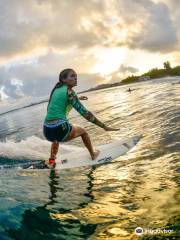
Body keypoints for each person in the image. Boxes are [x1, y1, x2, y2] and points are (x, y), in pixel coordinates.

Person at [43, 68, 119, 168]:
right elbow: (86, 114)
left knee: (55, 140)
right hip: (61, 129)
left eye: (76, 76)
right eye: (72, 76)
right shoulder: (70, 92)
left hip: (47, 130)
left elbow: (55, 105)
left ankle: (52, 161)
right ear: (63, 79)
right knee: (83, 132)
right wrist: (104, 126)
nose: (75, 78)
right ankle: (93, 154)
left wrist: (77, 98)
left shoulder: (56, 90)